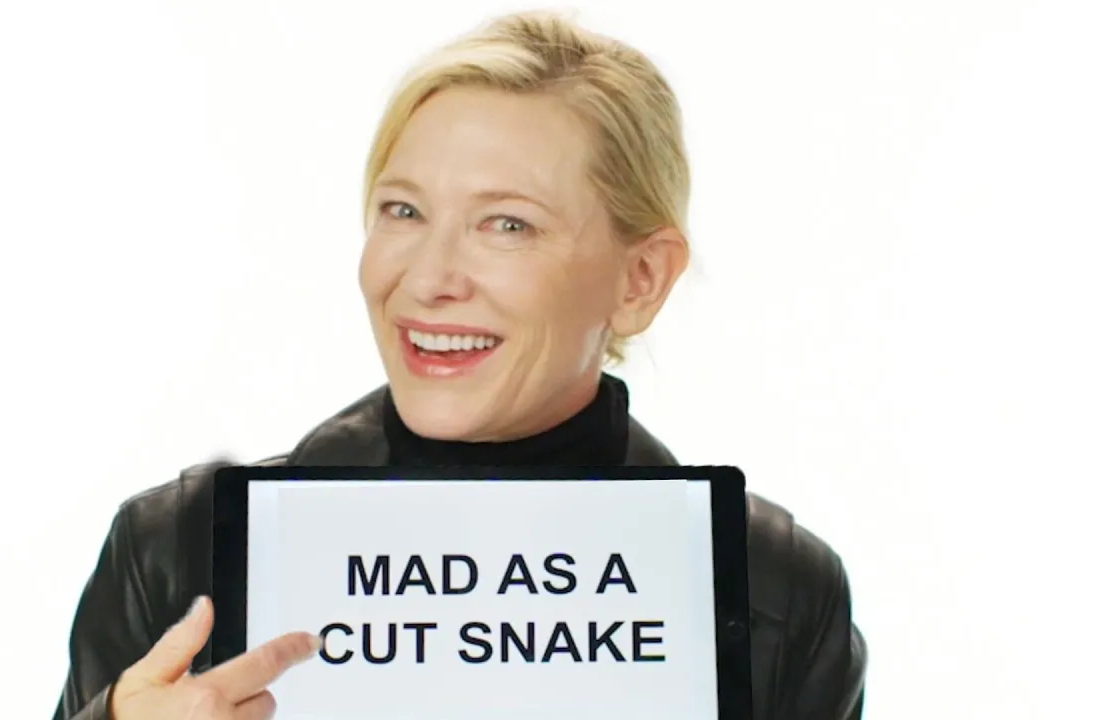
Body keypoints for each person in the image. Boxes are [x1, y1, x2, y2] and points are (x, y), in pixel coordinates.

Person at [53, 10, 867, 720]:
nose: (428, 279)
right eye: (403, 210)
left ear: (641, 279)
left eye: (507, 225)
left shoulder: (777, 590)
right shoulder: (174, 550)